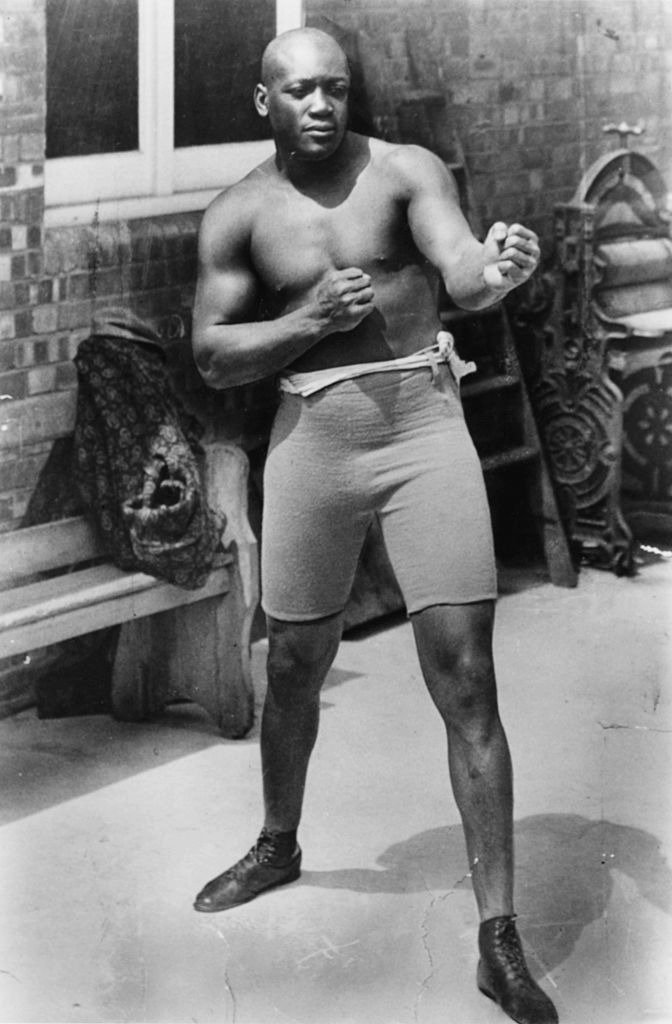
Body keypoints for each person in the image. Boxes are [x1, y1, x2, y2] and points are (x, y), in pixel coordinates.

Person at [191, 26, 558, 1024]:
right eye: (299, 90)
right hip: (311, 439)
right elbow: (215, 357)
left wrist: (497, 267)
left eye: (335, 88)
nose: (321, 104)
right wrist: (307, 321)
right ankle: (279, 839)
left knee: (468, 673)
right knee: (296, 663)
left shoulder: (405, 171)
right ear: (262, 103)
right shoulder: (237, 215)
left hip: (421, 428)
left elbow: (464, 273)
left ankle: (498, 932)